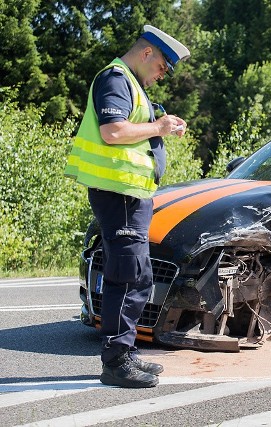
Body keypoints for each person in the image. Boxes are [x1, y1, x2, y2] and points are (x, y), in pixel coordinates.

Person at [65, 25, 190, 388]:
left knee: (139, 275)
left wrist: (161, 126)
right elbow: (113, 132)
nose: (162, 75)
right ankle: (116, 362)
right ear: (147, 52)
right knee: (127, 275)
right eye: (163, 67)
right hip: (118, 195)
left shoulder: (130, 84)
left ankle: (125, 350)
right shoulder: (116, 78)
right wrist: (158, 127)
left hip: (129, 194)